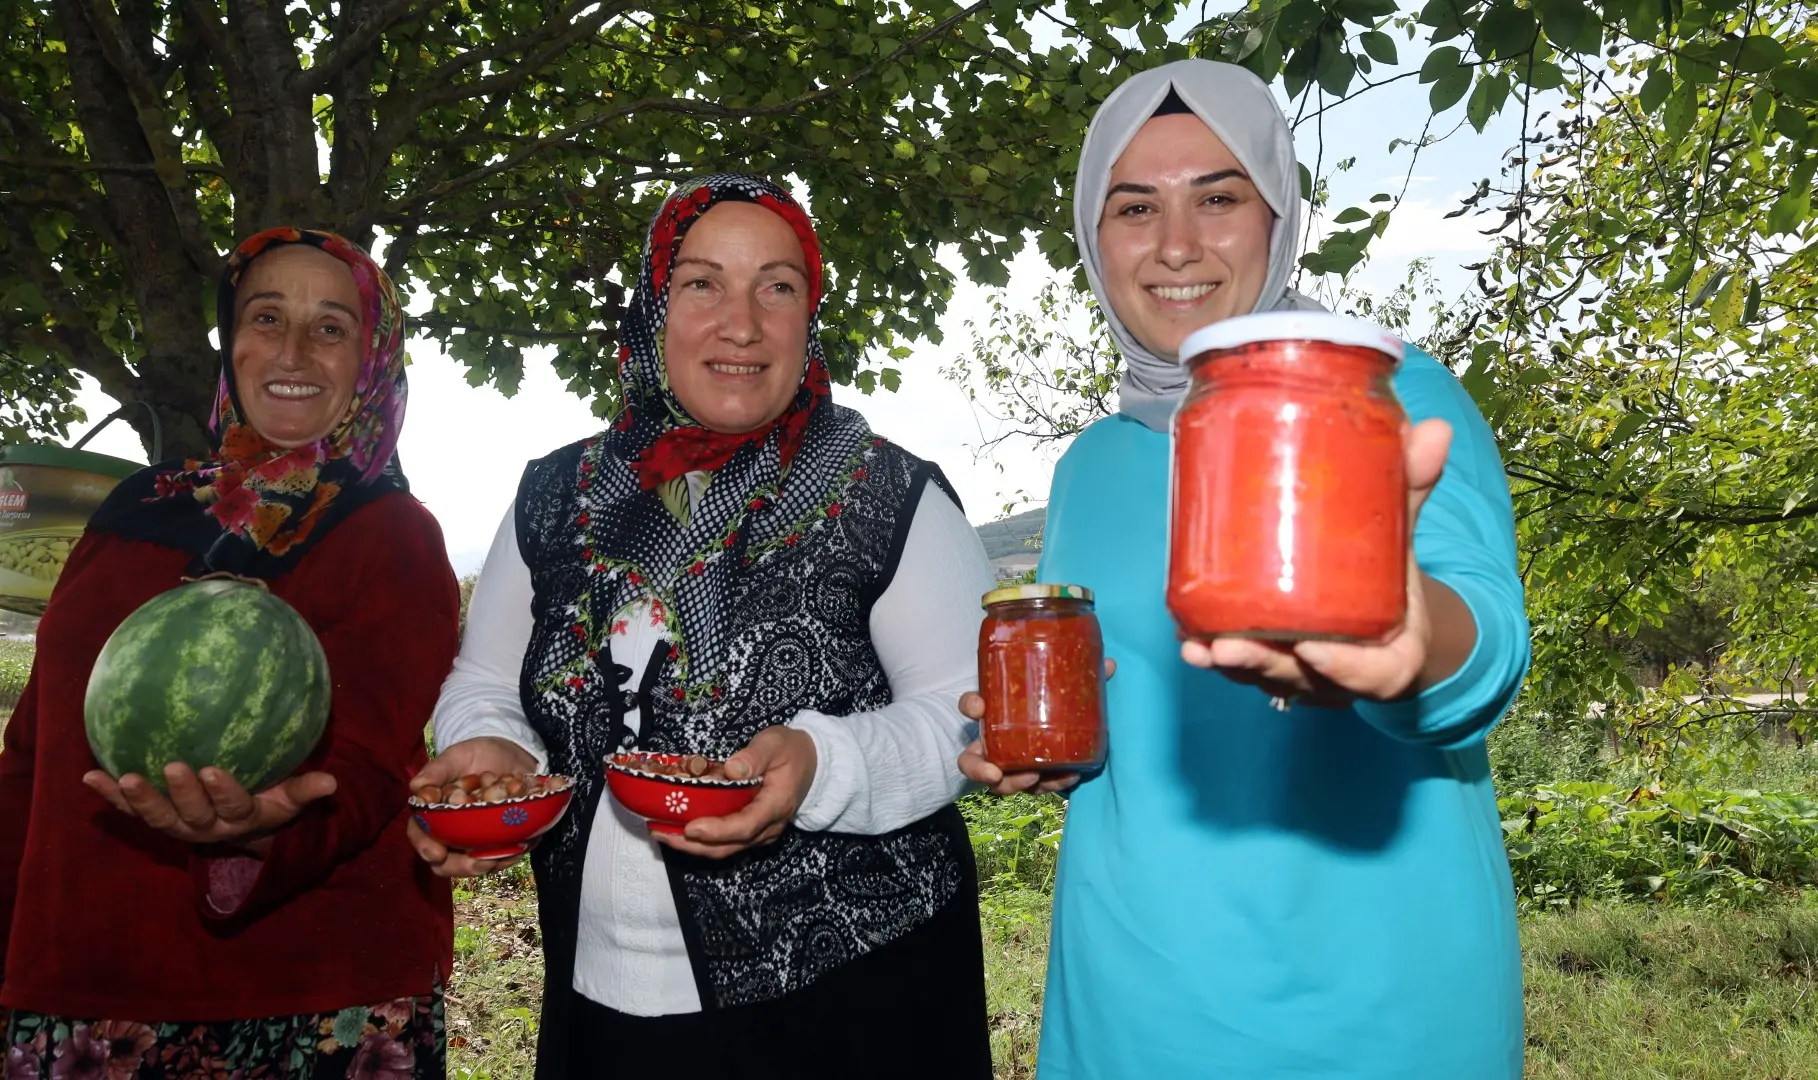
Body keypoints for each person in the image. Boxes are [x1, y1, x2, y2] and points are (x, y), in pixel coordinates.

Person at [959, 60, 1532, 1078]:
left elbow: (1482, 644)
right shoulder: (1091, 466)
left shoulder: (1380, 394)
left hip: (1376, 1017)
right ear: (1095, 239)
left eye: (1219, 197)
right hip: (1128, 1006)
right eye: (1135, 208)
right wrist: (1053, 745)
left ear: (1279, 216)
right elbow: (1118, 700)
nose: (1177, 245)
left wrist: (1412, 650)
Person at [415, 173, 996, 1079]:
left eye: (778, 284)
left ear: (809, 315)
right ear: (655, 308)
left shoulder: (888, 492)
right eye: (702, 283)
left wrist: (822, 767)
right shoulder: (557, 495)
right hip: (600, 995)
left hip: (855, 1000)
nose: (743, 322)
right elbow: (487, 685)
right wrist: (491, 744)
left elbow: (966, 715)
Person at [0, 229, 458, 1076]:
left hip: (299, 999)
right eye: (265, 316)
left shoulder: (390, 533)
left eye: (331, 327)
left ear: (373, 360)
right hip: (77, 974)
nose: (291, 350)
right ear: (231, 339)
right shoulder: (140, 503)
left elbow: (367, 771)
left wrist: (251, 838)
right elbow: (38, 744)